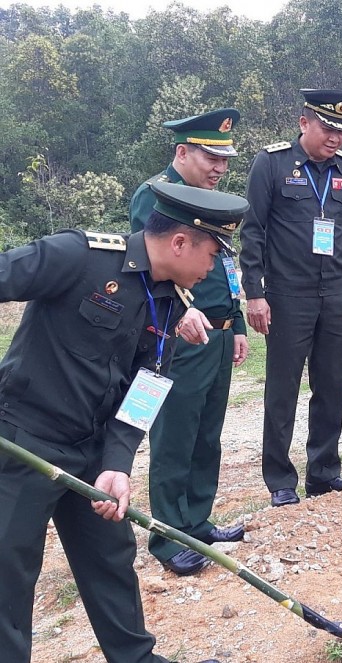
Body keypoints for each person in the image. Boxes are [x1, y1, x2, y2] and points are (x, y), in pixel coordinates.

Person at [0, 181, 246, 663]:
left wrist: (117, 462)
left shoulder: (172, 300)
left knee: (111, 559)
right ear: (180, 242)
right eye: (214, 254)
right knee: (8, 573)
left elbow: (145, 389)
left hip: (93, 454)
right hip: (25, 441)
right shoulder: (80, 256)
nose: (215, 266)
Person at [129, 109, 248, 576]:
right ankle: (168, 537)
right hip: (180, 335)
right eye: (210, 158)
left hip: (216, 334)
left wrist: (236, 321)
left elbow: (225, 268)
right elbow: (150, 263)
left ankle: (197, 521)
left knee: (207, 436)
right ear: (182, 152)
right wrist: (181, 311)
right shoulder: (156, 194)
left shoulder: (212, 201)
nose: (219, 168)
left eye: (224, 160)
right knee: (175, 436)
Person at [240, 89, 342, 507]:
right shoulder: (272, 163)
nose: (335, 138)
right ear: (304, 123)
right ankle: (280, 480)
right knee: (283, 390)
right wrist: (255, 294)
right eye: (327, 128)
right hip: (286, 295)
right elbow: (253, 231)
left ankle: (324, 472)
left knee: (332, 385)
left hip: (334, 293)